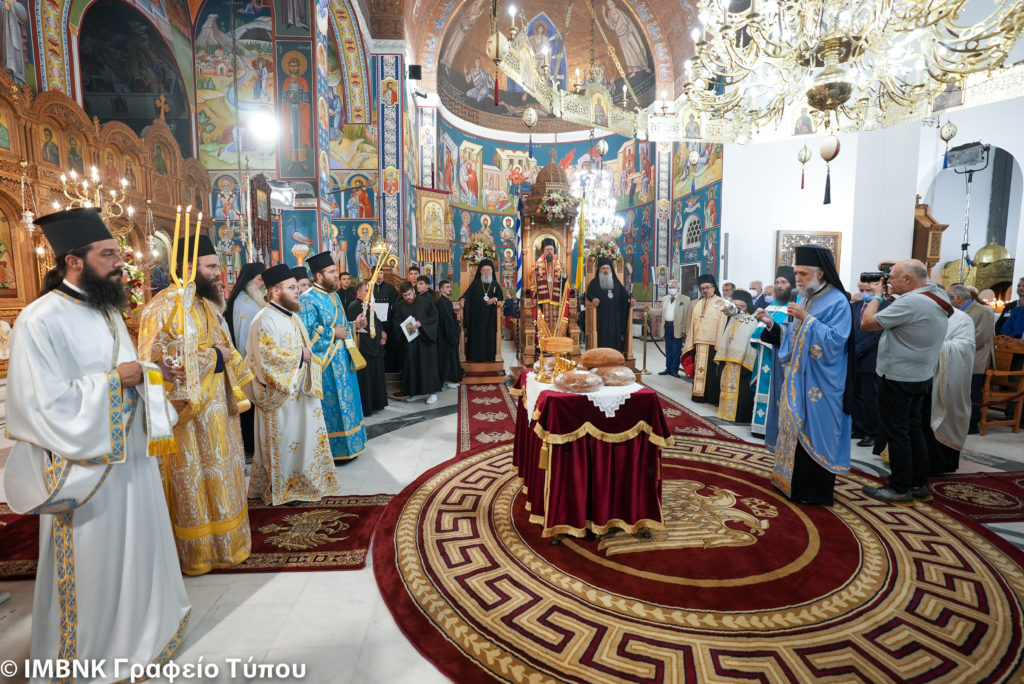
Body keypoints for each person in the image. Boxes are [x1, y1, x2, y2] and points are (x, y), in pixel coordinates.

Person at [4, 208, 190, 674]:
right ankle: (90, 655)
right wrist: (116, 382)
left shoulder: (107, 310)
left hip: (131, 463)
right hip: (85, 471)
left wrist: (152, 377)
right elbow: (37, 406)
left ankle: (147, 629)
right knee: (95, 566)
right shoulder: (38, 320)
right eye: (108, 254)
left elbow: (128, 372)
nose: (120, 262)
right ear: (74, 261)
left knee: (138, 552)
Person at [138, 233, 254, 575]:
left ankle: (229, 546)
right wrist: (211, 357)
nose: (218, 273)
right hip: (186, 415)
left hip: (219, 408)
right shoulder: (161, 306)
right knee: (194, 482)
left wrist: (230, 367)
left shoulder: (208, 304)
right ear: (189, 267)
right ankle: (198, 553)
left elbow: (228, 349)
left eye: (217, 266)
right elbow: (152, 361)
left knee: (224, 476)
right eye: (211, 266)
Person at [755, 245, 854, 506]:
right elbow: (794, 333)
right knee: (796, 430)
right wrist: (771, 324)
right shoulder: (806, 298)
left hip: (822, 383)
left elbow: (836, 341)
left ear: (820, 273)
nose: (797, 278)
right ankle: (792, 483)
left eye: (802, 273)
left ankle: (815, 491)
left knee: (817, 430)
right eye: (796, 273)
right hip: (799, 378)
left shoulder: (838, 301)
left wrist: (807, 319)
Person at [246, 264, 342, 505]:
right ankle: (284, 488)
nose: (298, 291)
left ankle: (305, 481)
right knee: (287, 441)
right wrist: (300, 356)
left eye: (297, 287)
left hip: (302, 393)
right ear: (275, 291)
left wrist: (304, 355)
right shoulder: (264, 319)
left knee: (305, 440)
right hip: (282, 399)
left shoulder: (293, 316)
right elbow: (266, 359)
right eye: (292, 288)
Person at [860, 259, 951, 505]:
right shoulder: (937, 294)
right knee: (913, 428)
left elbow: (867, 324)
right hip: (920, 374)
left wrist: (875, 297)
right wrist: (899, 269)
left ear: (909, 280)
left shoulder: (912, 302)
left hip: (898, 376)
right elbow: (921, 276)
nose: (888, 282)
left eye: (893, 278)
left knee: (896, 432)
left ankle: (899, 488)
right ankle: (918, 483)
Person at [299, 251, 366, 462]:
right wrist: (331, 333)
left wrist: (356, 325)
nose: (335, 275)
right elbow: (306, 332)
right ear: (318, 276)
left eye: (335, 271)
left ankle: (353, 445)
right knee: (333, 407)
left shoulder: (334, 295)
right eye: (331, 272)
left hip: (343, 361)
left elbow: (342, 326)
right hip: (326, 365)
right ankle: (334, 452)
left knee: (349, 402)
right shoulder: (307, 299)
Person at [925, 307, 975, 475]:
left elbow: (966, 346)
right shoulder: (924, 312)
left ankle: (940, 463)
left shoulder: (961, 318)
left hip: (945, 378)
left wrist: (938, 348)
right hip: (920, 374)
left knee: (942, 418)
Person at [225, 262, 266, 456]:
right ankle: (251, 445)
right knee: (250, 405)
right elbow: (243, 339)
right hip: (247, 364)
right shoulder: (244, 303)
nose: (262, 284)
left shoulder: (251, 298)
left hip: (254, 361)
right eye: (259, 280)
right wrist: (250, 364)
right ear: (249, 281)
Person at [750, 267, 793, 440]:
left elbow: (790, 333)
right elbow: (758, 332)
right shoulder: (773, 305)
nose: (779, 285)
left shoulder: (795, 306)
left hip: (781, 360)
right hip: (765, 357)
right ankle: (760, 426)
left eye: (783, 282)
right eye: (777, 282)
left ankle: (774, 427)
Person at [947, 283, 995, 433]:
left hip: (976, 358)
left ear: (959, 298)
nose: (947, 300)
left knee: (972, 391)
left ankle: (972, 422)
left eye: (950, 297)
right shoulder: (954, 311)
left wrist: (955, 344)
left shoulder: (983, 311)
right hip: (956, 355)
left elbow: (980, 336)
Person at [850, 279, 888, 449]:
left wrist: (858, 349)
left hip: (871, 358)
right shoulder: (855, 306)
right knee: (855, 396)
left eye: (868, 290)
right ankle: (858, 428)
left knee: (869, 398)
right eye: (861, 289)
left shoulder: (885, 306)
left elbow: (878, 334)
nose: (864, 292)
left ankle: (871, 432)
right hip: (853, 359)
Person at [394, 280, 441, 404]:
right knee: (412, 367)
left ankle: (432, 393)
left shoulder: (426, 301)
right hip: (410, 342)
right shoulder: (400, 305)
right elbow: (396, 321)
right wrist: (406, 327)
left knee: (427, 366)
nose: (408, 297)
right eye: (405, 296)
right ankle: (415, 392)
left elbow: (435, 317)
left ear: (414, 291)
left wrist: (422, 323)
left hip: (426, 340)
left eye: (409, 294)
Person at [683, 274, 728, 404]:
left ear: (714, 288)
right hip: (698, 343)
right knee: (699, 371)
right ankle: (699, 395)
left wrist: (719, 344)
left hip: (713, 344)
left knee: (712, 374)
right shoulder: (698, 303)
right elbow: (693, 323)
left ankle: (712, 397)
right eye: (702, 288)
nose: (705, 290)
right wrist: (690, 341)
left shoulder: (721, 303)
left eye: (707, 287)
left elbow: (722, 324)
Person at [714, 290, 758, 423]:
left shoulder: (752, 321)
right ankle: (725, 413)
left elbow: (751, 344)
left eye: (741, 306)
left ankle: (739, 416)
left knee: (741, 392)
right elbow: (727, 337)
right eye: (736, 306)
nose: (738, 309)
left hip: (742, 365)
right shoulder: (733, 318)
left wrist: (746, 362)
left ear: (748, 305)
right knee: (725, 388)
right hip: (728, 362)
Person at [347, 280, 389, 415]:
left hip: (374, 347)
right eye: (366, 291)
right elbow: (357, 329)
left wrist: (382, 334)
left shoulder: (368, 305)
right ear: (358, 292)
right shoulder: (354, 306)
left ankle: (377, 404)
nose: (369, 293)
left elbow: (376, 322)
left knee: (376, 378)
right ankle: (367, 407)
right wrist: (372, 345)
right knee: (366, 380)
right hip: (365, 350)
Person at [586, 257, 633, 352]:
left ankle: (615, 357)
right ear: (599, 270)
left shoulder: (616, 282)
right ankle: (602, 357)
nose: (606, 270)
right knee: (603, 338)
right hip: (601, 317)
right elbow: (588, 294)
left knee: (615, 338)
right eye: (603, 268)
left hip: (615, 318)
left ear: (610, 269)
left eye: (607, 268)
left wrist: (630, 300)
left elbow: (625, 295)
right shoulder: (594, 282)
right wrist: (593, 299)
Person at [462, 259, 504, 362]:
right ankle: (476, 357)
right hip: (477, 317)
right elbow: (467, 295)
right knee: (477, 337)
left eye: (488, 270)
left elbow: (500, 297)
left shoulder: (495, 284)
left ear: (492, 271)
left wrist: (494, 299)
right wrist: (462, 299)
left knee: (489, 337)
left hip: (491, 316)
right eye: (484, 270)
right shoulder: (476, 283)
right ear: (480, 271)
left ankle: (489, 357)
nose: (486, 272)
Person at [654, 278, 691, 377]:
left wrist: (685, 329)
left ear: (678, 288)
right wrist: (649, 310)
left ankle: (674, 369)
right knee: (668, 349)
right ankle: (668, 368)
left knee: (676, 349)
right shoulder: (665, 298)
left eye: (673, 287)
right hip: (667, 325)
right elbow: (660, 312)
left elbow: (687, 315)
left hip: (678, 327)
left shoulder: (685, 299)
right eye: (670, 287)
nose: (671, 289)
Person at [373, 268, 402, 372]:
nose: (379, 275)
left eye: (381, 273)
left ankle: (390, 369)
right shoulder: (369, 288)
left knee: (389, 347)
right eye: (377, 273)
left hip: (388, 324)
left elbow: (395, 305)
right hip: (374, 324)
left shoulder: (390, 288)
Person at [436, 279, 463, 388]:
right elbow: (447, 321)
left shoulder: (445, 301)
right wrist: (453, 336)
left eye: (450, 287)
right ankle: (450, 380)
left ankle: (448, 379)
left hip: (447, 334)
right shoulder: (442, 302)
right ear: (441, 289)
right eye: (447, 287)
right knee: (448, 358)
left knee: (448, 358)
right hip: (446, 336)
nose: (450, 288)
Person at [533, 238, 564, 323]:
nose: (549, 251)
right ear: (544, 251)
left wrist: (564, 273)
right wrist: (534, 297)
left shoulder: (560, 265)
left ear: (554, 250)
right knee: (543, 323)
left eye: (551, 249)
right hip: (543, 299)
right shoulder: (538, 265)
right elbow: (534, 282)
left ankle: (555, 337)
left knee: (556, 322)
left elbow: (564, 283)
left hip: (556, 299)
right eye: (547, 249)